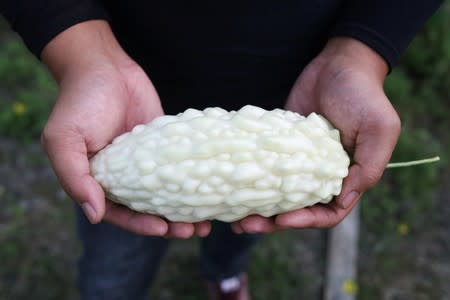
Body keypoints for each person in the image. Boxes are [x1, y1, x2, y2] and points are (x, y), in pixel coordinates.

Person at [1, 1, 442, 299]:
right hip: (130, 103)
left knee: (244, 223)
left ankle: (224, 274)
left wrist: (361, 50)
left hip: (298, 88)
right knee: (114, 253)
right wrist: (82, 52)